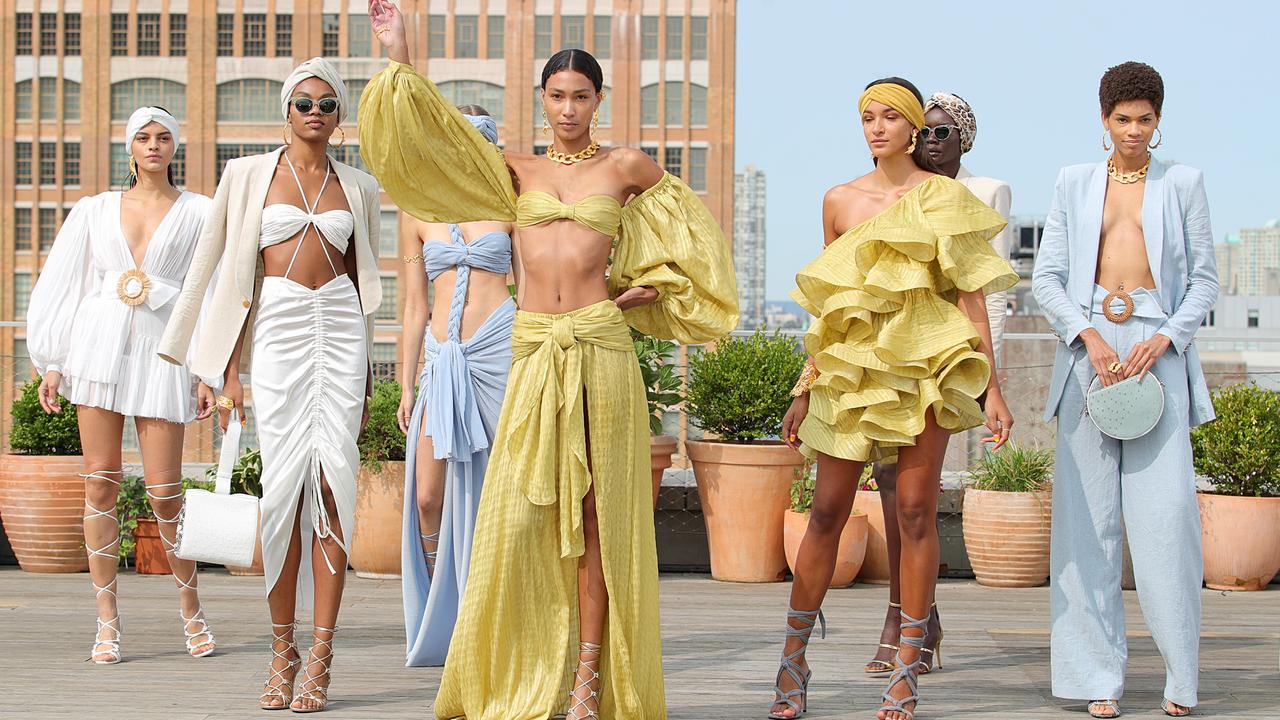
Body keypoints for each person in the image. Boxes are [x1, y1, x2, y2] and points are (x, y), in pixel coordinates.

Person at [361, 3, 738, 717]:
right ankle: (514, 664)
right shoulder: (514, 169)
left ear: (599, 99)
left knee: (599, 513)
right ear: (542, 99)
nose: (569, 108)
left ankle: (589, 682)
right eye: (557, 96)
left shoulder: (625, 165)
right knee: (522, 511)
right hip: (531, 346)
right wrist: (399, 52)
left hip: (599, 345)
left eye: (581, 96)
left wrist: (636, 293)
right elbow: (429, 139)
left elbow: (695, 243)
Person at [772, 78, 1017, 720]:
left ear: (915, 128)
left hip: (924, 368)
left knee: (914, 512)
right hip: (848, 373)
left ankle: (907, 668)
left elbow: (970, 298)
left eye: (890, 118)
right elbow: (830, 306)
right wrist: (805, 388)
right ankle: (793, 662)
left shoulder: (944, 198)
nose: (877, 128)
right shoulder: (839, 199)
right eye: (868, 118)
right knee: (825, 510)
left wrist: (992, 386)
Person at [159, 57, 382, 713]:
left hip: (340, 330)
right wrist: (223, 368)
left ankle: (320, 654)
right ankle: (280, 649)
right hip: (279, 330)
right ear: (286, 111)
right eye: (303, 102)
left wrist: (368, 377)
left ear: (340, 117)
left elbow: (364, 280)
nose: (315, 112)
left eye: (327, 104)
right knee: (283, 494)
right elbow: (217, 271)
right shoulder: (248, 175)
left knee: (332, 489)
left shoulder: (361, 187)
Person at [1031, 61, 1217, 720]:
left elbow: (1204, 281)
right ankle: (1097, 682)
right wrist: (1089, 336)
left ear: (1158, 121)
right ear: (1103, 119)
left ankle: (1180, 680)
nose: (1133, 131)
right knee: (1087, 530)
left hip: (1156, 353)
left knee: (1166, 521)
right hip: (1090, 355)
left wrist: (1164, 338)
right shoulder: (1074, 183)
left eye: (1144, 120)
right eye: (1122, 119)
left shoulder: (1184, 184)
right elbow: (1047, 278)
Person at [26, 106, 217, 665]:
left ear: (175, 146)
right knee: (101, 484)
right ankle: (107, 621)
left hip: (165, 352)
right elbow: (69, 280)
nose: (153, 145)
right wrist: (55, 361)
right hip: (97, 348)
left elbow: (206, 291)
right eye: (143, 137)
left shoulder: (200, 212)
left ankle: (192, 609)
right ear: (129, 147)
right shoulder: (94, 210)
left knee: (165, 493)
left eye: (162, 137)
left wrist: (208, 370)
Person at [863, 91, 1014, 678]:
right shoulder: (895, 190)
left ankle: (910, 623)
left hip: (950, 362)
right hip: (892, 359)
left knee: (918, 499)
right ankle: (909, 614)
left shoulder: (984, 192)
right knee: (889, 486)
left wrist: (987, 378)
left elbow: (989, 290)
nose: (929, 140)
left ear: (964, 139)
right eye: (923, 130)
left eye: (942, 132)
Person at [395, 105, 517, 667]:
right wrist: (405, 384)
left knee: (500, 492)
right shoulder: (417, 209)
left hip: (500, 352)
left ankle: (490, 621)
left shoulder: (512, 207)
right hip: (442, 362)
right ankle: (440, 619)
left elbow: (537, 287)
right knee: (427, 495)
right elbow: (414, 306)